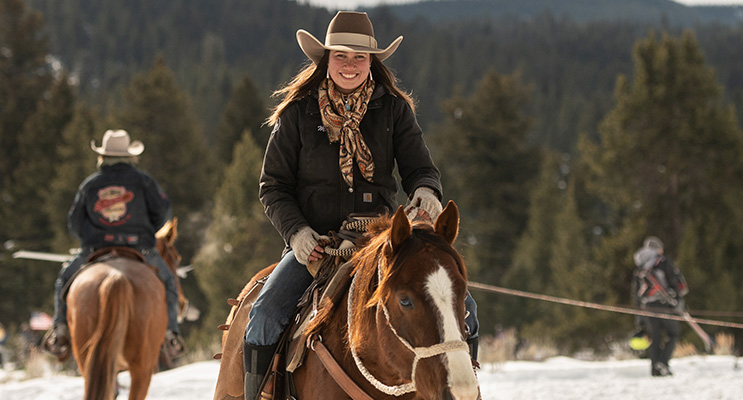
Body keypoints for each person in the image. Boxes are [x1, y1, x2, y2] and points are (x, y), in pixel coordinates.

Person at [243, 11, 479, 400]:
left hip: (383, 243)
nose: (350, 66)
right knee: (265, 315)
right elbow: (273, 187)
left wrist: (426, 192)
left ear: (372, 62)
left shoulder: (394, 110)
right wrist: (297, 233)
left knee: (464, 309)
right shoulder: (298, 113)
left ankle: (462, 389)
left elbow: (421, 169)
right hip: (315, 246)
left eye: (359, 58)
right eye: (341, 56)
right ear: (326, 59)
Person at [42, 129, 185, 361]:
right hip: (140, 248)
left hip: (96, 249)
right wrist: (147, 230)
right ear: (130, 156)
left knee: (63, 281)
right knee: (168, 282)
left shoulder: (90, 184)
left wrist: (92, 237)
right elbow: (163, 212)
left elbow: (74, 223)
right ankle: (170, 334)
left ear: (103, 156)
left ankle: (60, 330)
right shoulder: (144, 181)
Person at [632, 236, 688, 377]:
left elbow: (635, 290)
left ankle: (655, 370)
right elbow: (673, 281)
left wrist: (639, 312)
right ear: (658, 248)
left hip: (647, 306)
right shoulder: (662, 261)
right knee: (673, 333)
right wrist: (677, 299)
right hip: (664, 304)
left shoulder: (641, 265)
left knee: (655, 337)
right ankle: (662, 363)